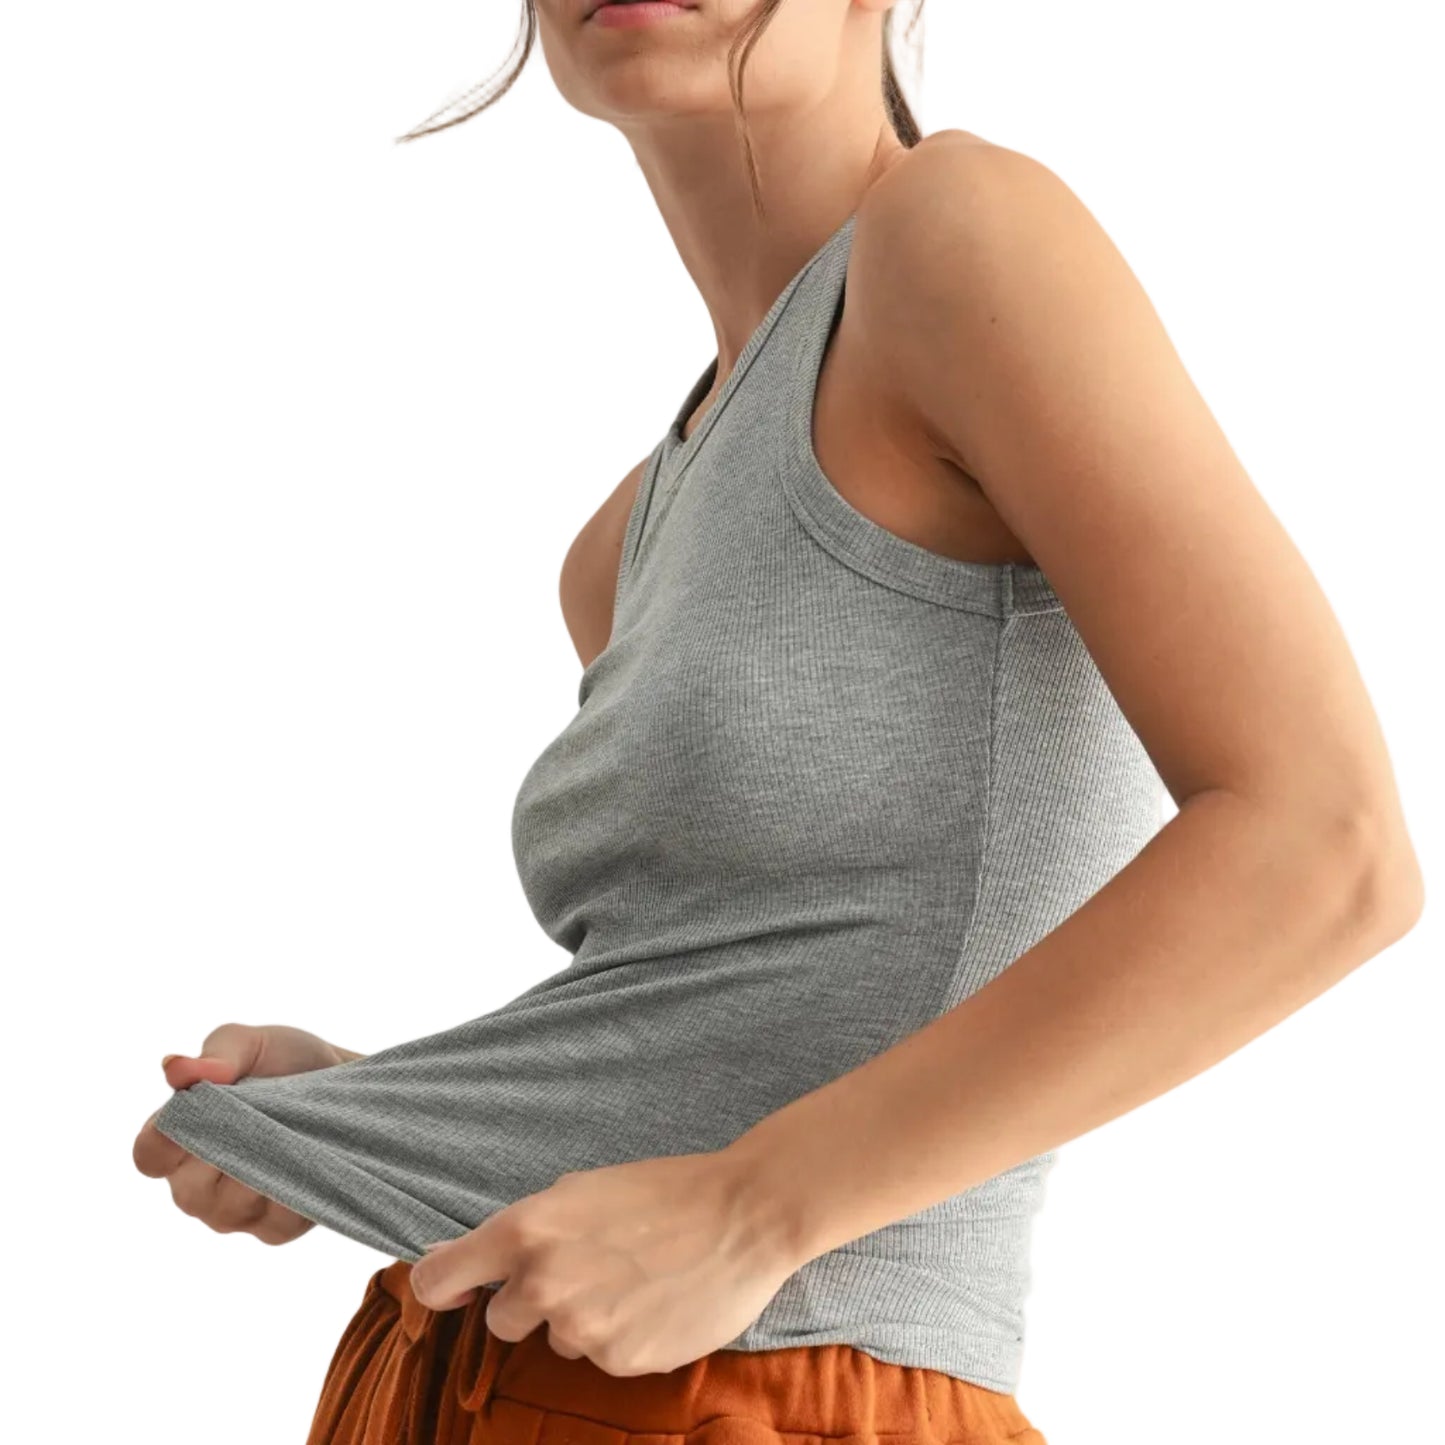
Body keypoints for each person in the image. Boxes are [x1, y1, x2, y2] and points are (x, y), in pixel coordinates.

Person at [132, 1, 1426, 1442]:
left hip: (781, 1392)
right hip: (461, 1365)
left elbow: (1326, 846)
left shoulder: (956, 235)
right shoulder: (621, 537)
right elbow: (756, 1004)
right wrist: (406, 1112)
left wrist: (757, 1209)